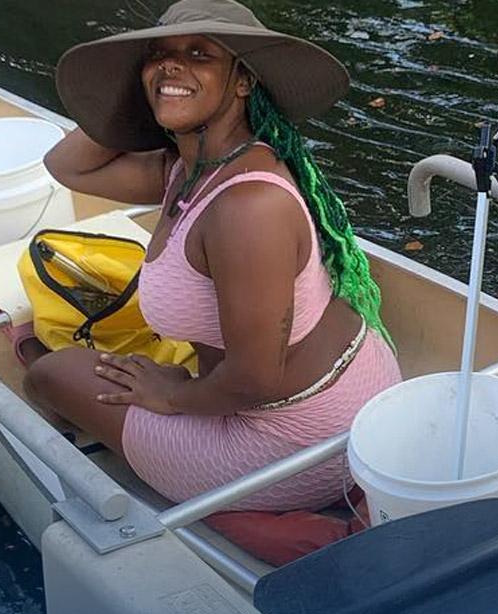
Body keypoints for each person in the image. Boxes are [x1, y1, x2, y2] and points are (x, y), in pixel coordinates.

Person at [26, 0, 400, 512]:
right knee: (78, 373)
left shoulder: (248, 206)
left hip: (303, 445)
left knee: (48, 374)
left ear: (242, 81)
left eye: (199, 54)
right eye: (157, 56)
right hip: (314, 394)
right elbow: (67, 166)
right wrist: (145, 95)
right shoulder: (188, 166)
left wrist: (172, 397)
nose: (171, 65)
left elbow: (253, 379)